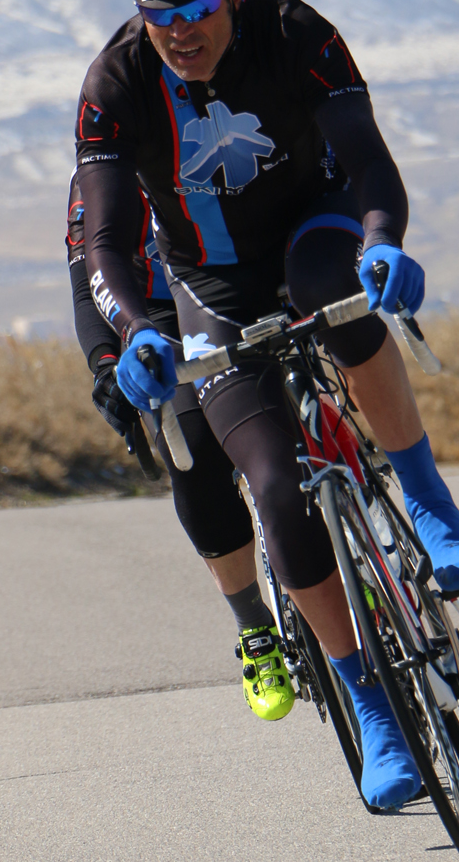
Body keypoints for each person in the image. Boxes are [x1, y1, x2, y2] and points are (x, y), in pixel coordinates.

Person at [75, 0, 459, 811]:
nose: (179, 31)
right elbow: (100, 243)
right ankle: (368, 702)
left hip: (315, 221)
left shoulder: (295, 29)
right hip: (211, 284)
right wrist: (136, 332)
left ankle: (428, 505)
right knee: (267, 481)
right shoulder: (115, 85)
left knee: (329, 294)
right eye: (158, 13)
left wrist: (381, 237)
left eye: (195, 9)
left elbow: (369, 157)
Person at [66, 169, 297, 720]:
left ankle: (353, 550)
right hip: (163, 320)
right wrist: (105, 363)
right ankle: (254, 627)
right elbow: (86, 283)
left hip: (250, 286)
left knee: (304, 416)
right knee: (192, 454)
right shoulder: (101, 171)